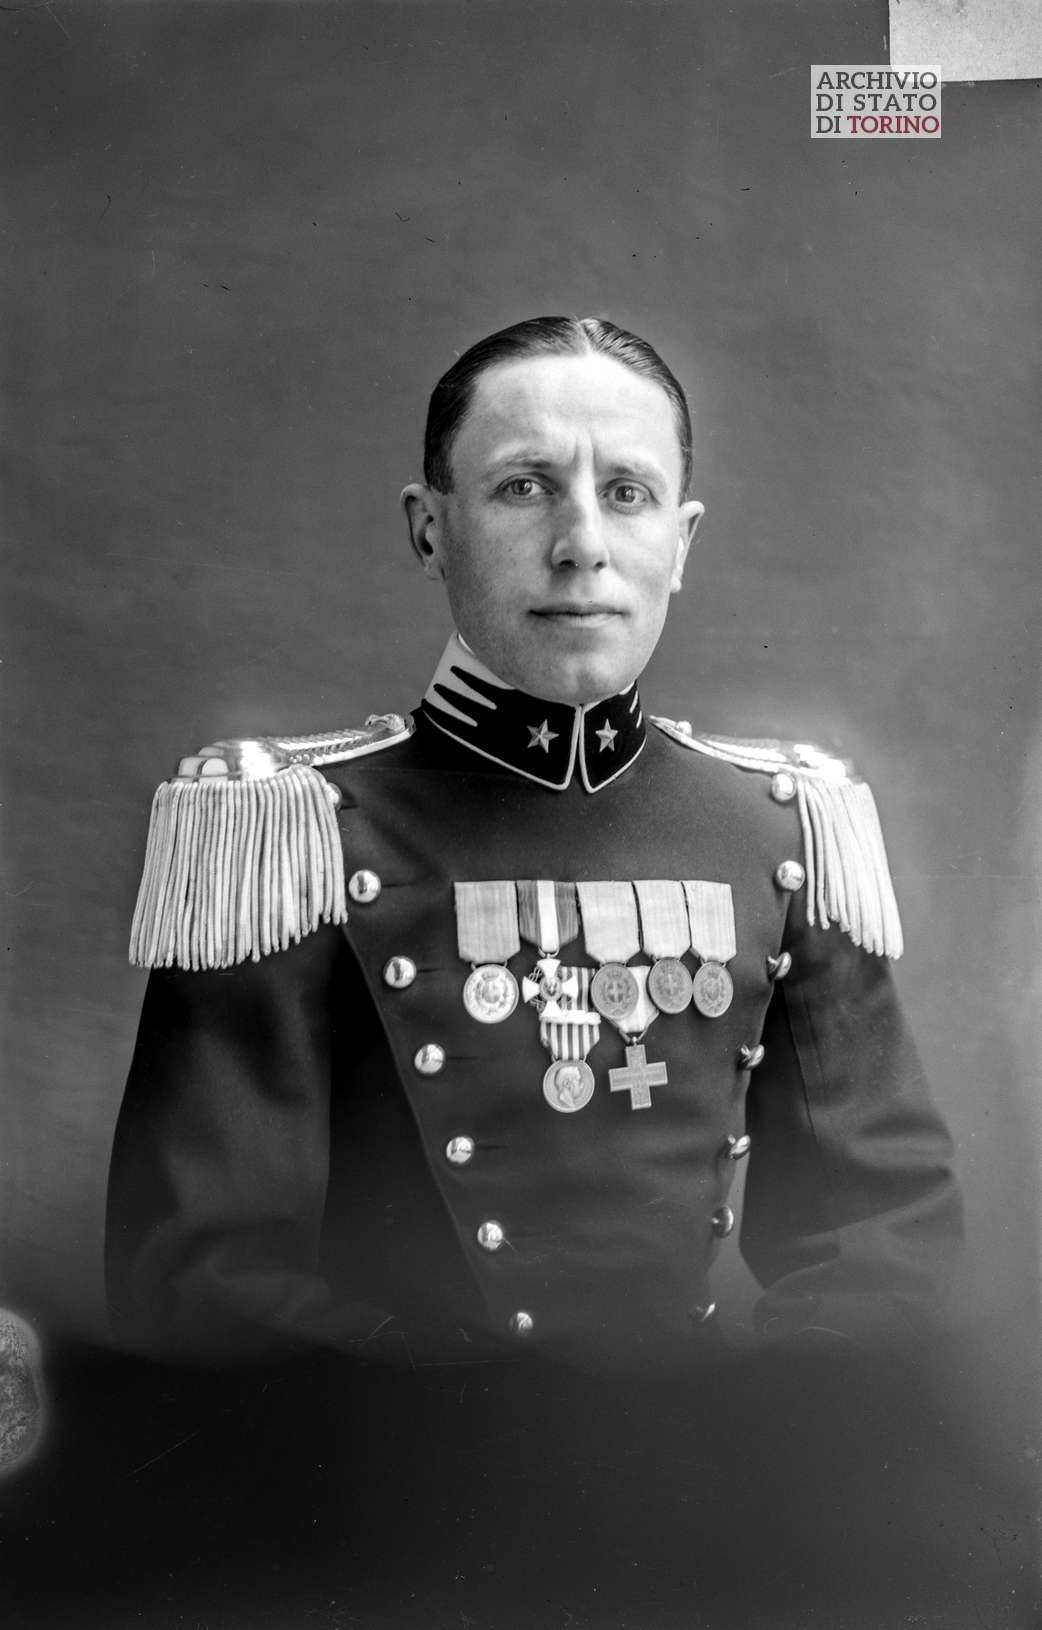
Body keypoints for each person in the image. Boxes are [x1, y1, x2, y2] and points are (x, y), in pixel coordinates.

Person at [74, 315, 968, 1625]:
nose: (580, 542)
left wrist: (740, 1455)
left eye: (627, 493)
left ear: (682, 541)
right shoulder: (280, 831)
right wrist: (485, 1453)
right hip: (375, 1524)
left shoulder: (785, 826)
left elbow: (881, 1242)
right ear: (428, 527)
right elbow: (199, 1277)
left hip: (701, 1525)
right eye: (523, 486)